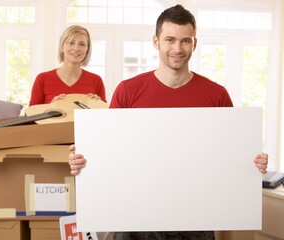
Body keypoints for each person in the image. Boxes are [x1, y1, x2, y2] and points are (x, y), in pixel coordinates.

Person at [68, 4, 268, 240]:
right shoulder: (128, 91)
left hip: (195, 222)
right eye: (170, 39)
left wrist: (253, 163)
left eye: (185, 41)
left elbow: (228, 158)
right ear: (156, 41)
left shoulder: (216, 95)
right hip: (135, 221)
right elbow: (111, 154)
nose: (177, 48)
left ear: (194, 43)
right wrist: (83, 161)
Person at [29, 25, 106, 106]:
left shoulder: (96, 81)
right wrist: (49, 108)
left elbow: (104, 117)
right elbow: (31, 116)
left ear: (87, 49)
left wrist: (97, 107)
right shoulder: (42, 79)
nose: (76, 48)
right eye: (71, 43)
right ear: (62, 46)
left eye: (82, 44)